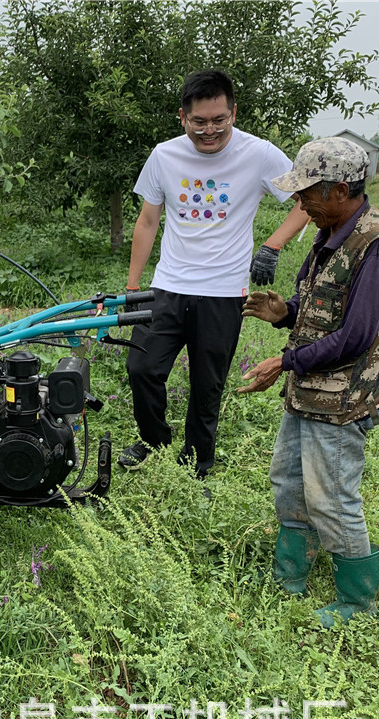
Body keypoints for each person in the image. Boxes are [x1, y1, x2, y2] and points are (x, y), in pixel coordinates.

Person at [239, 136, 379, 627]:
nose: (299, 202)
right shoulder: (330, 232)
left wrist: (283, 363)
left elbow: (356, 336)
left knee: (331, 496)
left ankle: (357, 604)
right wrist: (284, 313)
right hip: (310, 393)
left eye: (307, 192)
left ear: (338, 189)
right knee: (289, 482)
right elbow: (323, 312)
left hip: (343, 399)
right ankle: (290, 572)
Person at [121, 70, 311, 493]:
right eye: (200, 122)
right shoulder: (165, 156)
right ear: (182, 118)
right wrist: (134, 289)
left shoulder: (259, 154)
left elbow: (305, 200)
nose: (210, 130)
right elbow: (148, 220)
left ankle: (198, 461)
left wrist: (273, 244)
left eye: (219, 120)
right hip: (168, 285)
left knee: (208, 383)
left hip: (224, 293)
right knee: (141, 367)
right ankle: (153, 442)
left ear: (233, 113)